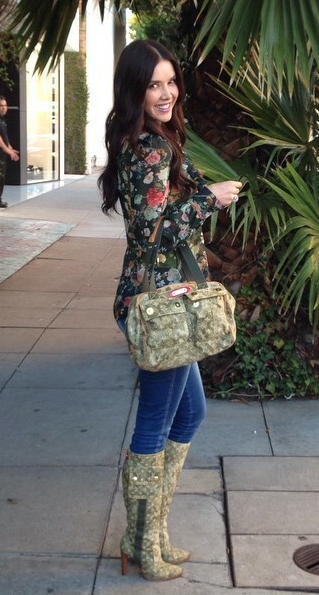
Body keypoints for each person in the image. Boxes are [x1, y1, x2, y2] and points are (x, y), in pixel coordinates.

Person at [98, 39, 242, 582]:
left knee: (190, 414)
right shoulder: (150, 150)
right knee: (156, 423)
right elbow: (150, 234)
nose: (167, 93)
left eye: (171, 82)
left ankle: (150, 533)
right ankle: (141, 543)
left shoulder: (152, 140)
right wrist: (210, 199)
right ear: (135, 91)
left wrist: (200, 194)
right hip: (160, 309)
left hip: (167, 302)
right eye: (154, 84)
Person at [0, 96, 19, 208]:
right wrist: (7, 149)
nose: (4, 108)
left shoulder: (2, 120)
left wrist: (10, 148)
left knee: (2, 177)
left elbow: (4, 136)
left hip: (3, 154)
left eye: (5, 105)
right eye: (1, 105)